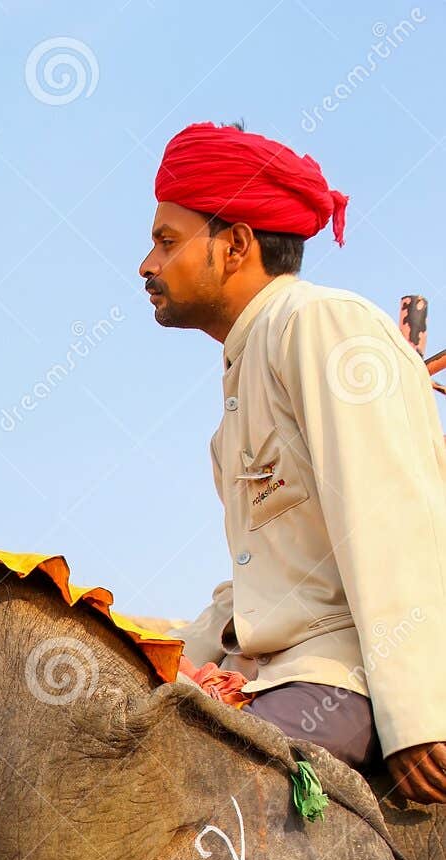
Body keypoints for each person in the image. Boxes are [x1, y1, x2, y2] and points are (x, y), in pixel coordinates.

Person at [141, 120, 446, 804]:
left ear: (237, 244)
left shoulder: (319, 325)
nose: (147, 265)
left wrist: (419, 717)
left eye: (166, 241)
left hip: (333, 683)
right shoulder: (239, 385)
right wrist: (139, 657)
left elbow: (393, 517)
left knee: (170, 792)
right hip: (264, 677)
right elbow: (249, 590)